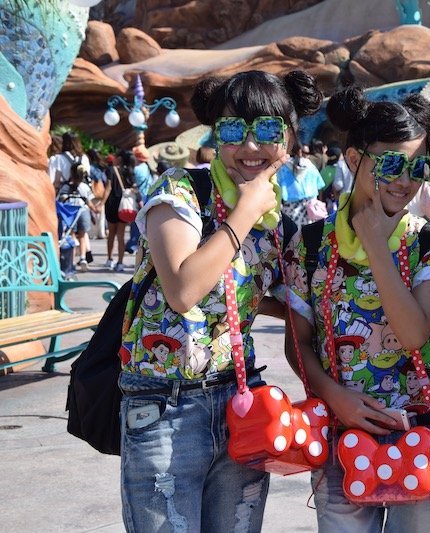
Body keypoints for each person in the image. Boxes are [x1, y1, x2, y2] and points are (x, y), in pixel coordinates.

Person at [117, 69, 321, 532]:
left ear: (289, 138)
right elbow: (184, 290)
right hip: (163, 405)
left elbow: (283, 301)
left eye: (268, 130)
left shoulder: (278, 224)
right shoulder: (179, 190)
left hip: (240, 403)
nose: (250, 147)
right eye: (233, 130)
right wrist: (247, 209)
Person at [285, 86, 430, 533]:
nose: (405, 181)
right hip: (342, 434)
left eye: (417, 167)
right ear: (352, 158)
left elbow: (413, 334)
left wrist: (376, 245)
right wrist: (332, 395)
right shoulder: (309, 243)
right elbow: (299, 343)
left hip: (421, 431)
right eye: (389, 163)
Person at [57, 163, 98, 272]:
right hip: (83, 211)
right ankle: (83, 257)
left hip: (70, 212)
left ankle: (72, 260)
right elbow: (89, 202)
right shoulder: (84, 187)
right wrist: (95, 210)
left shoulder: (65, 187)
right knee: (83, 235)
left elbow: (61, 200)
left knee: (71, 236)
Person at [101, 149, 135, 271]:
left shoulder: (111, 170)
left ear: (120, 158)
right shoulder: (129, 171)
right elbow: (134, 188)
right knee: (121, 236)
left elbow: (108, 188)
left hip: (111, 205)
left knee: (111, 234)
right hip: (124, 207)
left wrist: (101, 203)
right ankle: (120, 262)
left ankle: (110, 259)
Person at [277, 143, 326, 226]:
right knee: (308, 236)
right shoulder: (310, 165)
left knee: (290, 235)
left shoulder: (282, 167)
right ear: (300, 151)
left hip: (290, 210)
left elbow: (278, 189)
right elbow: (319, 185)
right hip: (310, 209)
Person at [87, 148, 108, 239]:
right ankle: (101, 233)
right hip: (100, 191)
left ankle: (92, 233)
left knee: (92, 213)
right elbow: (104, 179)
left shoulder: (90, 167)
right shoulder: (101, 167)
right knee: (101, 214)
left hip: (92, 192)